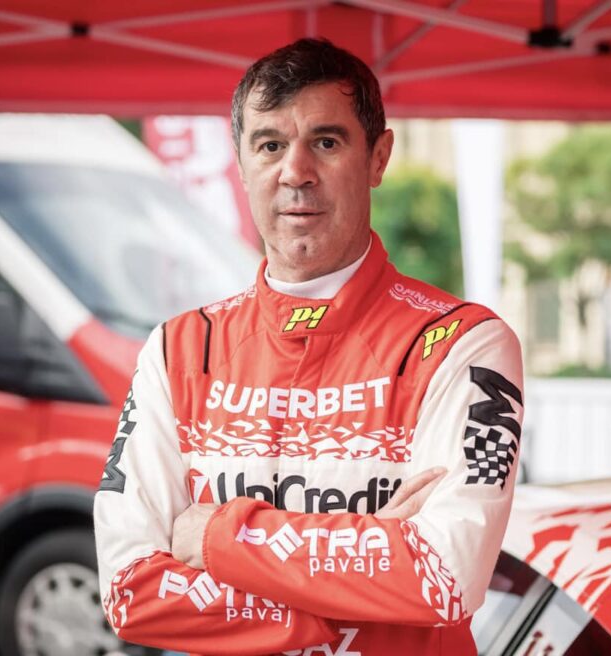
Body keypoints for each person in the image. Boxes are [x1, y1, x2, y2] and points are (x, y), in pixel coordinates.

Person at [94, 38, 524, 656]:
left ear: (378, 158)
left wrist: (217, 537)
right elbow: (129, 592)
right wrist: (361, 573)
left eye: (326, 142)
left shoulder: (465, 344)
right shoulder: (178, 350)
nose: (295, 172)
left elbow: (442, 577)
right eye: (270, 145)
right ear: (242, 164)